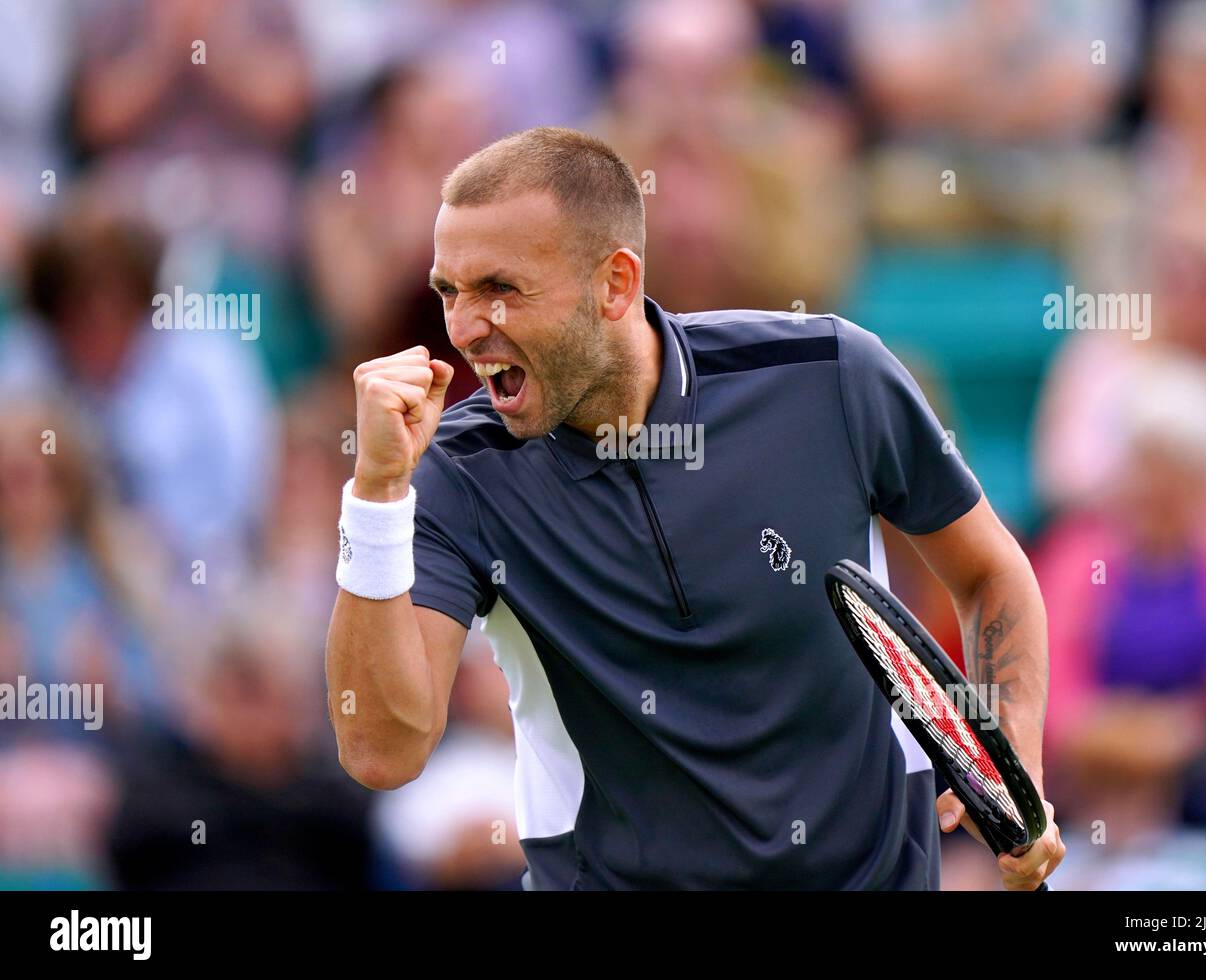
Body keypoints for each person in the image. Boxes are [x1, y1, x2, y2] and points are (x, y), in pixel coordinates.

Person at [324, 126, 1063, 891]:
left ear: (615, 284)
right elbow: (383, 751)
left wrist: (1012, 766)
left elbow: (988, 574)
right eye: (451, 291)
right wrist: (375, 497)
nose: (465, 328)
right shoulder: (452, 471)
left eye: (500, 290)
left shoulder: (831, 375)